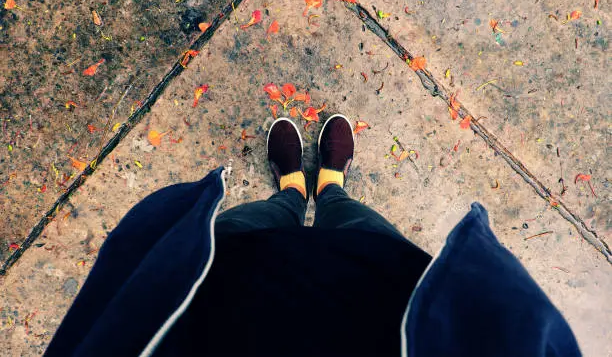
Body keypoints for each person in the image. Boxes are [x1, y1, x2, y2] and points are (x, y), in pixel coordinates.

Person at [45, 115, 581, 357]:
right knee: (352, 219)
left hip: (224, 288)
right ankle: (327, 189)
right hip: (383, 292)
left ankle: (291, 193)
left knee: (257, 222)